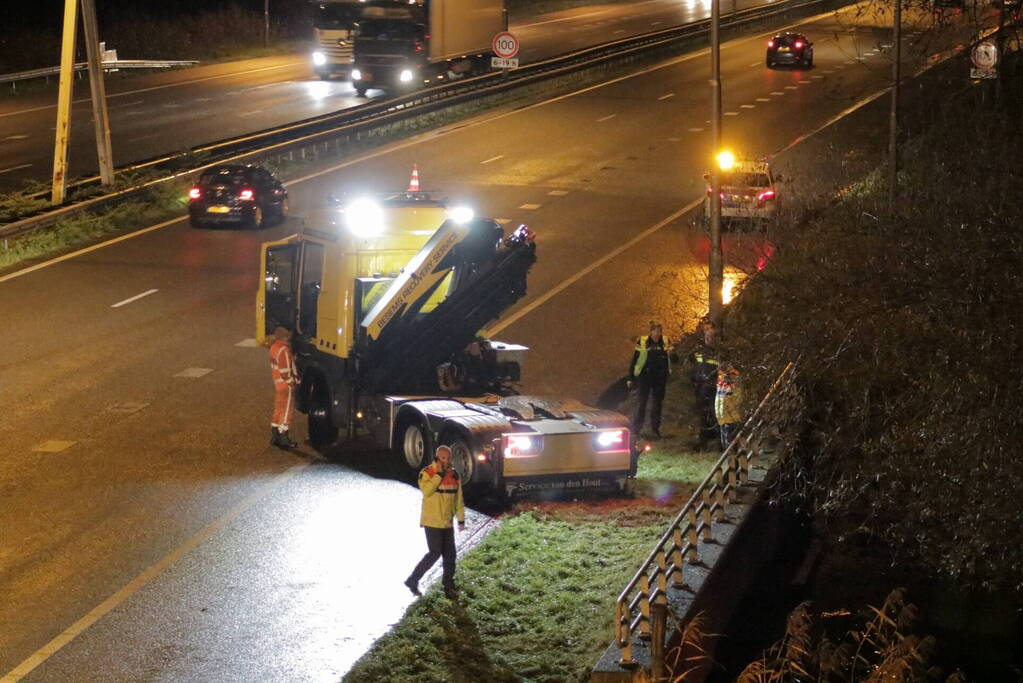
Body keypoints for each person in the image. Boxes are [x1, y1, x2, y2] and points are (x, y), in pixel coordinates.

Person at [404, 445, 466, 599]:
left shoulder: (454, 475)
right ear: (437, 457)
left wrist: (461, 519)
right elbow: (427, 491)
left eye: (448, 458)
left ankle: (448, 585)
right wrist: (438, 474)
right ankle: (413, 579)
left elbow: (458, 499)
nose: (446, 461)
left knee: (450, 555)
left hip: (446, 522)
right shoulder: (427, 473)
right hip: (432, 521)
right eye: (443, 458)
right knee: (434, 553)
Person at [628, 321, 672, 439]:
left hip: (660, 378)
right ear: (651, 332)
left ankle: (655, 430)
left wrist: (671, 354)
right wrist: (631, 377)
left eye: (659, 331)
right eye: (655, 331)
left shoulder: (666, 341)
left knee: (657, 405)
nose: (657, 334)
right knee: (641, 403)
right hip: (644, 377)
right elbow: (635, 359)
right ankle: (636, 430)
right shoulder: (643, 342)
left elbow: (674, 359)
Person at [690, 319, 721, 450]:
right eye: (706, 336)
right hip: (701, 388)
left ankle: (720, 443)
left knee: (716, 415)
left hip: (715, 388)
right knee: (702, 415)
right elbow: (694, 367)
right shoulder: (699, 351)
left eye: (710, 336)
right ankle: (703, 442)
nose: (708, 338)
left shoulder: (719, 353)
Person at [269, 325, 299, 449]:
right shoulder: (284, 350)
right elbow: (286, 370)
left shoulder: (274, 347)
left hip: (278, 383)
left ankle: (275, 434)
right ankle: (283, 436)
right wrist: (292, 382)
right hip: (286, 385)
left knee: (279, 408)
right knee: (287, 410)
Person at [715, 363, 743, 450]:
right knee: (725, 443)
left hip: (731, 418)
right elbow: (719, 400)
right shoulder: (721, 383)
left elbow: (737, 399)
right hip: (722, 417)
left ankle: (734, 458)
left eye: (721, 373)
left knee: (731, 444)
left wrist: (732, 384)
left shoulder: (734, 383)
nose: (720, 376)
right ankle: (729, 457)